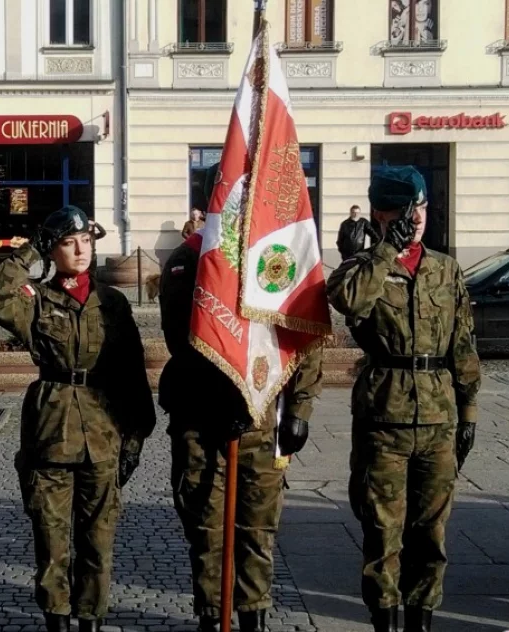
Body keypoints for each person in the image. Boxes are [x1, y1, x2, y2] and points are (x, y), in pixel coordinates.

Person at [158, 163, 324, 632]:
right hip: (201, 421)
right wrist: (222, 393)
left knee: (257, 531)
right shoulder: (189, 260)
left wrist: (299, 408)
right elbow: (183, 342)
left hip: (260, 420)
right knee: (207, 530)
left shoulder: (275, 256)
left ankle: (254, 620)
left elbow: (302, 332)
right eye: (229, 195)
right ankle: (213, 619)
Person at [0, 206, 156, 632]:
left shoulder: (111, 302)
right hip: (51, 434)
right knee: (51, 540)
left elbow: (133, 373)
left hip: (103, 434)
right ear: (52, 250)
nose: (80, 250)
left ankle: (90, 619)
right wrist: (29, 251)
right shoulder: (36, 299)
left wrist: (134, 441)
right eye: (68, 243)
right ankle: (56, 619)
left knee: (98, 541)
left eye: (86, 242)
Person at [326, 166, 481, 632]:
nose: (416, 219)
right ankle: (383, 620)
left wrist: (469, 411)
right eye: (405, 211)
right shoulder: (361, 267)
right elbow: (349, 301)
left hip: (438, 419)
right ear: (381, 213)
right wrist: (385, 251)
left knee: (431, 533)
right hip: (385, 420)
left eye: (421, 209)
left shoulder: (445, 269)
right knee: (383, 532)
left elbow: (463, 343)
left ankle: (421, 620)